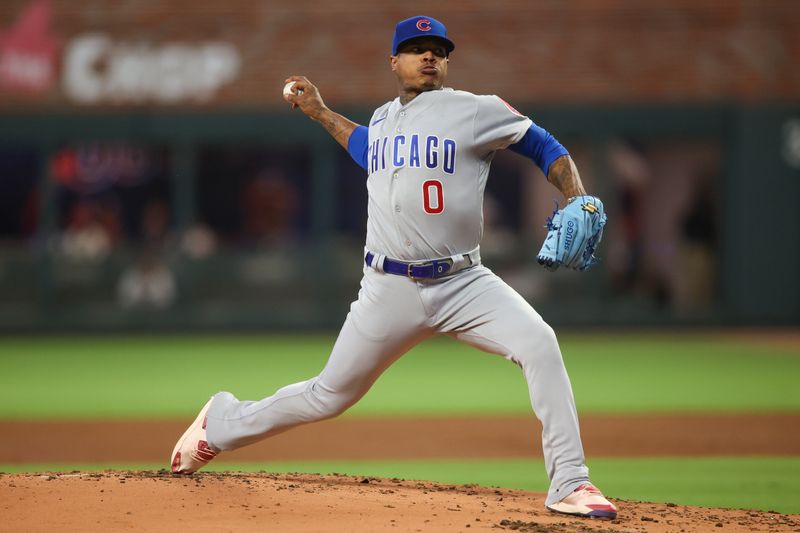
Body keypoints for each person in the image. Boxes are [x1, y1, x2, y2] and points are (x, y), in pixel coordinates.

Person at [171, 15, 617, 520]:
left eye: (438, 50)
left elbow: (543, 145)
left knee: (540, 342)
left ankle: (570, 483)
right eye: (416, 48)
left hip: (464, 282)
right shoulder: (383, 119)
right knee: (328, 396)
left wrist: (576, 194)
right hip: (387, 287)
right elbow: (365, 146)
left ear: (446, 62)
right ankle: (221, 423)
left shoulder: (475, 110)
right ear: (395, 61)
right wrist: (319, 113)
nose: (429, 56)